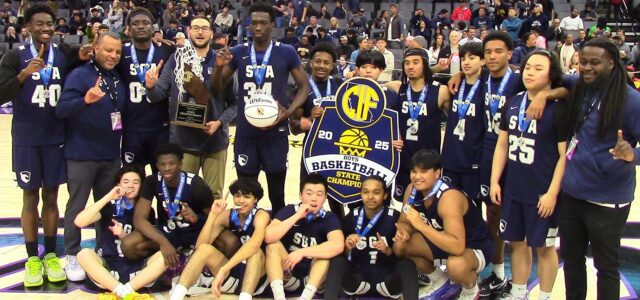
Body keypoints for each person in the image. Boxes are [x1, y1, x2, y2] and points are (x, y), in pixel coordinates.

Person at [0, 3, 91, 287]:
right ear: (27, 27)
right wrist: (25, 74)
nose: (45, 28)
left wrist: (86, 53)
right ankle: (32, 258)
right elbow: (2, 92)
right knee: (30, 198)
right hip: (27, 139)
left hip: (56, 138)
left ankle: (51, 255)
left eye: (50, 24)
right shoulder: (15, 56)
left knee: (51, 197)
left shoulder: (63, 54)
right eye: (39, 24)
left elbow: (84, 57)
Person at [560, 38, 640, 300]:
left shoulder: (631, 101)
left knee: (606, 267)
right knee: (572, 262)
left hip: (607, 200)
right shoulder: (579, 85)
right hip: (572, 194)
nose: (587, 68)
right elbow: (549, 74)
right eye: (583, 62)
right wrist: (549, 93)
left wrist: (632, 154)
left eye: (595, 62)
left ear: (612, 63)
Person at [212, 2, 310, 214]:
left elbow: (305, 86)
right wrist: (219, 69)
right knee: (246, 193)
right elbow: (217, 88)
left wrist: (289, 111)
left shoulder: (286, 52)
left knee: (277, 194)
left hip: (276, 133)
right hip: (246, 133)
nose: (258, 27)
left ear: (272, 26)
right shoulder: (238, 52)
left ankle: (277, 238)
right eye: (254, 22)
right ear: (248, 26)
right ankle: (248, 234)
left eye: (263, 23)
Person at [490, 50, 567, 300]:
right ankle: (518, 292)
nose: (530, 72)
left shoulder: (559, 108)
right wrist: (494, 180)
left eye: (538, 68)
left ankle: (544, 296)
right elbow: (502, 144)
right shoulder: (513, 102)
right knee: (517, 244)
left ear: (552, 74)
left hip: (542, 192)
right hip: (514, 189)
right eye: (527, 67)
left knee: (544, 247)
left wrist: (553, 193)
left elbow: (565, 156)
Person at [56, 31, 126, 282]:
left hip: (110, 155)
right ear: (95, 48)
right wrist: (84, 100)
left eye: (117, 51)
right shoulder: (80, 74)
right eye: (108, 50)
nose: (113, 55)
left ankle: (103, 248)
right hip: (82, 154)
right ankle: (72, 253)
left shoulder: (116, 77)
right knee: (78, 205)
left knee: (106, 206)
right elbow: (62, 110)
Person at [146, 16, 236, 200]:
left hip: (215, 142)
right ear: (189, 31)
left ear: (211, 32)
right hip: (183, 142)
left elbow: (235, 103)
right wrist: (150, 85)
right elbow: (157, 95)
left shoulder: (222, 60)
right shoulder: (176, 59)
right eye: (195, 27)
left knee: (214, 197)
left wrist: (219, 122)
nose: (200, 32)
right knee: (182, 196)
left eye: (204, 28)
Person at [394, 150, 494, 299]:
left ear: (437, 173)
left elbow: (457, 246)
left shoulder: (449, 198)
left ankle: (471, 290)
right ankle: (442, 281)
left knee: (456, 266)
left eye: (423, 171)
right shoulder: (412, 190)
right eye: (414, 172)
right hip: (443, 241)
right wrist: (403, 231)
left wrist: (421, 226)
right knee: (400, 246)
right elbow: (403, 222)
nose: (417, 176)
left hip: (473, 246)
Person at [169, 178, 271, 300]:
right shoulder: (228, 215)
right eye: (237, 196)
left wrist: (225, 268)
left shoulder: (261, 215)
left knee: (256, 253)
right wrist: (213, 214)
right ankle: (176, 297)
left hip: (257, 276)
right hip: (233, 275)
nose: (241, 200)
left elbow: (255, 244)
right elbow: (200, 247)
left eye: (247, 197)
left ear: (256, 199)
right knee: (204, 249)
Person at [120, 143, 213, 271]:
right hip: (169, 232)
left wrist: (198, 218)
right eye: (162, 164)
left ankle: (205, 267)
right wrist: (163, 242)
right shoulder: (152, 181)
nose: (167, 168)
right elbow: (139, 219)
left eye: (171, 163)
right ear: (157, 166)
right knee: (128, 245)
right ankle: (163, 265)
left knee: (229, 242)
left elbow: (215, 218)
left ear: (180, 164)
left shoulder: (197, 184)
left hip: (196, 232)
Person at [74, 165, 162, 300]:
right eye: (126, 182)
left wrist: (124, 236)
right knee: (83, 254)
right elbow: (79, 222)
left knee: (164, 256)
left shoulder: (146, 211)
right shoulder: (108, 207)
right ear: (118, 185)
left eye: (136, 182)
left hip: (136, 268)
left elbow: (145, 243)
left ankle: (126, 289)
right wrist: (108, 197)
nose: (130, 185)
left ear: (141, 186)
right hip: (109, 267)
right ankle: (124, 292)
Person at [324, 176, 419, 299]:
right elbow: (342, 254)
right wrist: (347, 247)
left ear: (385, 195)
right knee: (337, 262)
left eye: (376, 192)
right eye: (366, 192)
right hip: (358, 279)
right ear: (361, 194)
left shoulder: (395, 218)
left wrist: (388, 250)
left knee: (407, 264)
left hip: (386, 279)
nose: (370, 197)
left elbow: (401, 255)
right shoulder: (352, 217)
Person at [264, 173, 344, 300]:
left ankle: (305, 297)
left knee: (324, 257)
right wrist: (297, 216)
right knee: (272, 246)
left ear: (325, 198)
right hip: (288, 274)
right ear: (300, 196)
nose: (314, 198)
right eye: (309, 193)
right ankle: (279, 297)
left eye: (319, 194)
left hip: (313, 277)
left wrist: (302, 252)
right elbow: (268, 236)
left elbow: (338, 245)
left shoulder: (329, 218)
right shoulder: (290, 210)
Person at [385, 48, 449, 201]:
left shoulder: (441, 91)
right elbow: (371, 84)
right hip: (404, 160)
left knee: (427, 205)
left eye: (415, 62)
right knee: (404, 205)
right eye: (406, 63)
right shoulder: (397, 87)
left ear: (425, 65)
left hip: (428, 161)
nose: (410, 66)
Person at [118, 8, 171, 174]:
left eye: (145, 23)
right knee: (133, 181)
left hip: (160, 127)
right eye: (135, 23)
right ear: (128, 29)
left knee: (163, 180)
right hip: (131, 128)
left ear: (153, 27)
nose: (141, 26)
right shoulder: (120, 52)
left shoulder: (167, 50)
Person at [440, 42, 485, 205]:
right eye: (463, 58)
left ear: (483, 61)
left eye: (472, 58)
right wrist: (458, 74)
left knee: (472, 208)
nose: (466, 62)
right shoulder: (454, 85)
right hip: (451, 157)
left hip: (473, 159)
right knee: (447, 204)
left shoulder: (487, 85)